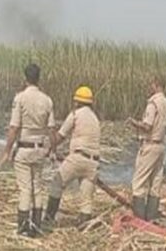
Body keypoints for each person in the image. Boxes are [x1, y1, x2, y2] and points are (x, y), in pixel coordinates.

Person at [0, 64, 56, 237]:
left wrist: (7, 150)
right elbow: (52, 129)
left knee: (25, 189)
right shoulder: (47, 100)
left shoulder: (20, 98)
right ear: (39, 78)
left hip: (24, 149)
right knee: (37, 187)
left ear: (26, 78)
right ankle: (36, 227)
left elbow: (14, 127)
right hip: (40, 150)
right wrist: (52, 150)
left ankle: (23, 228)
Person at [44, 86, 101, 228]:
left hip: (78, 158)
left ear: (77, 102)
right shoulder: (95, 118)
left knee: (57, 183)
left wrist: (49, 147)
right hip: (93, 162)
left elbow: (60, 136)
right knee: (86, 199)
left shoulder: (75, 114)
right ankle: (84, 225)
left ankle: (49, 218)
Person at [127, 75, 166, 222]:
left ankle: (139, 220)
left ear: (156, 85)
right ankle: (152, 217)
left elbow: (147, 126)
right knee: (155, 183)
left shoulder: (153, 103)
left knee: (138, 183)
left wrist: (134, 123)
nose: (149, 87)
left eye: (151, 84)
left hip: (150, 145)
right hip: (160, 147)